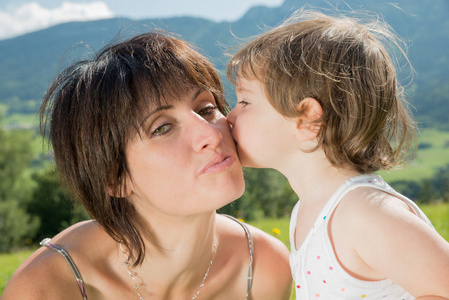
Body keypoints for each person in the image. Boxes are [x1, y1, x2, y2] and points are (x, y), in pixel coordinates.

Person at [1, 31, 292, 300]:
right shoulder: (47, 288)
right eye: (162, 128)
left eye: (206, 109)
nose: (211, 133)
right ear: (114, 178)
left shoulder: (263, 267)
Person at [226, 9, 449, 299]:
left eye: (244, 101)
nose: (229, 116)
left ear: (307, 118)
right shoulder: (307, 211)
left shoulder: (365, 212)